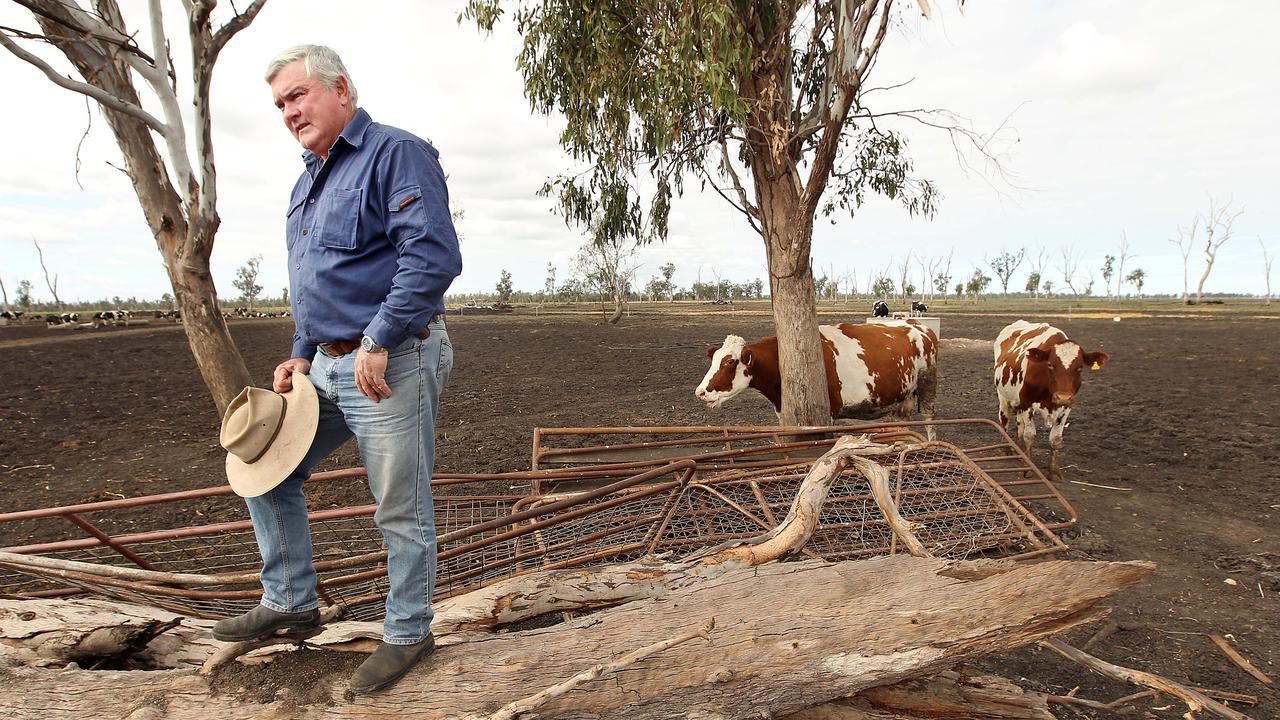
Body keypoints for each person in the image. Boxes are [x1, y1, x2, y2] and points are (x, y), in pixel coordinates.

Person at [212, 44, 462, 695]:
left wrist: (380, 335)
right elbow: (317, 281)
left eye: (297, 95)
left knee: (398, 507)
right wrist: (299, 348)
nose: (288, 112)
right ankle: (291, 598)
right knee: (262, 468)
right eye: (279, 104)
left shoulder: (394, 154)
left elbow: (432, 256)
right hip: (323, 367)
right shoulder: (307, 181)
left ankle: (409, 632)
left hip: (390, 362)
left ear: (339, 89)